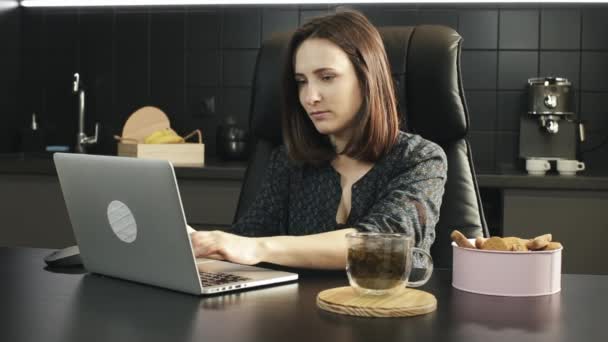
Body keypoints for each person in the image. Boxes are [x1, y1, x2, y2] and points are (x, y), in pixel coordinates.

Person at [188, 10, 447, 270]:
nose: (310, 97)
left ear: (368, 78)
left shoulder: (420, 158)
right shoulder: (288, 161)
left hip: (384, 308)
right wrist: (199, 243)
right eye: (301, 82)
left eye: (327, 77)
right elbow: (247, 238)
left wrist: (256, 248)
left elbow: (384, 244)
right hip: (293, 309)